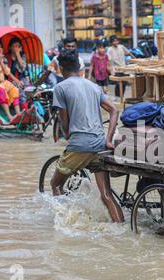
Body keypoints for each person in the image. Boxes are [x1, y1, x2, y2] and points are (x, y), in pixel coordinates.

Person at [50, 50, 124, 223]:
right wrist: (108, 139)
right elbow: (114, 110)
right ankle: (122, 228)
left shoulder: (60, 88)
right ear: (79, 67)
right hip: (99, 144)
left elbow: (64, 123)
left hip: (80, 146)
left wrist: (68, 134)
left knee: (56, 184)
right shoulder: (94, 86)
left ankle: (66, 223)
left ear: (61, 69)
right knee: (106, 194)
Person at [0, 43, 21, 122]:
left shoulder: (3, 59)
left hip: (2, 81)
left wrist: (1, 62)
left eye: (0, 48)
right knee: (1, 90)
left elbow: (7, 72)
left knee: (14, 89)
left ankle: (18, 114)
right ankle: (9, 116)